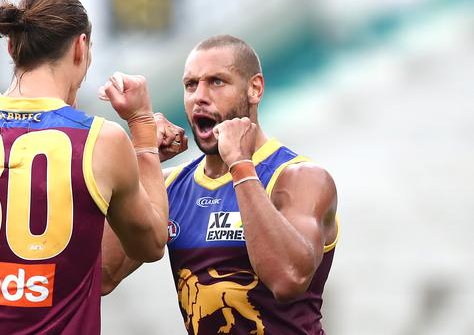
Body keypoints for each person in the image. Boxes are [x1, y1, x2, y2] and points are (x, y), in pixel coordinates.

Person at [0, 0, 169, 334]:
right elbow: (150, 244)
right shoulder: (100, 140)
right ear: (81, 46)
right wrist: (143, 129)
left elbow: (95, 272)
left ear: (11, 46)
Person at [101, 35, 339, 334]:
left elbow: (288, 279)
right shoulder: (171, 184)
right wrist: (144, 159)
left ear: (255, 89)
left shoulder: (301, 178)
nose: (199, 96)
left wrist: (240, 165)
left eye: (216, 82)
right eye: (191, 85)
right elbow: (102, 277)